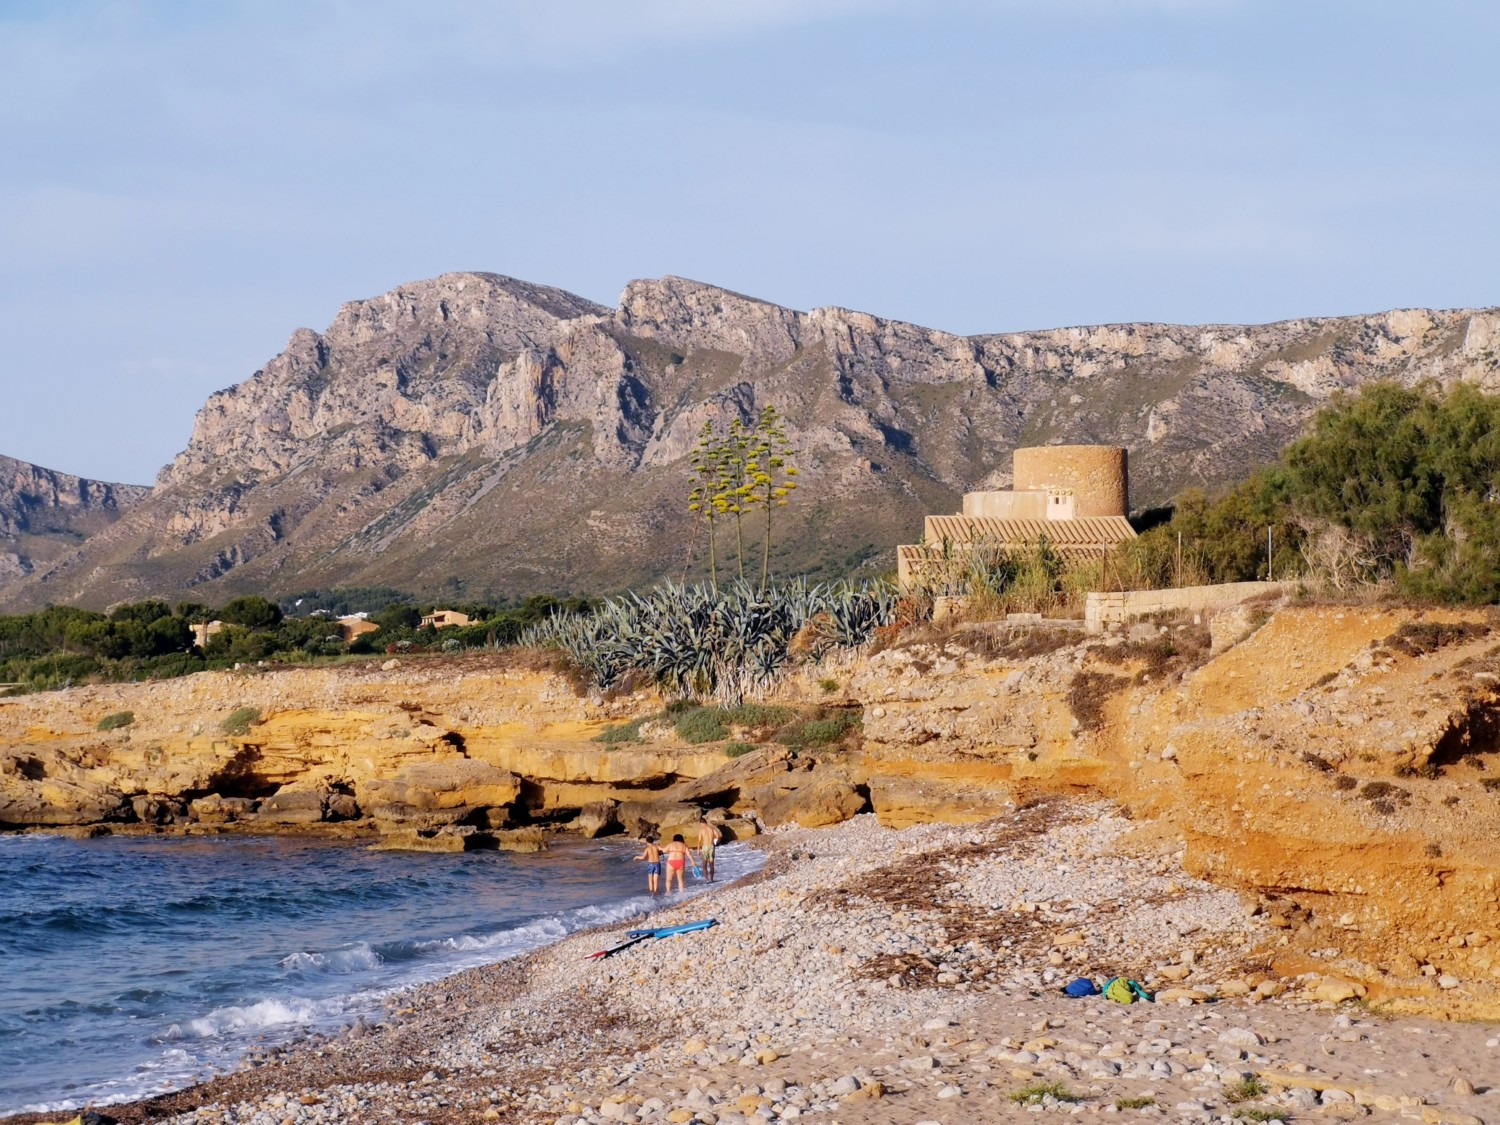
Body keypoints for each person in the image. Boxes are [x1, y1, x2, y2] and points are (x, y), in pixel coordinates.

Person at [695, 814, 721, 883]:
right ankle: (711, 879)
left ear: (701, 823)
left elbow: (699, 841)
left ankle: (707, 879)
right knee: (711, 864)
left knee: (704, 865)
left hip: (705, 847)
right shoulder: (712, 829)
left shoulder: (701, 830)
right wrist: (716, 841)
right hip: (711, 847)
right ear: (706, 822)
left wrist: (698, 850)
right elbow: (718, 836)